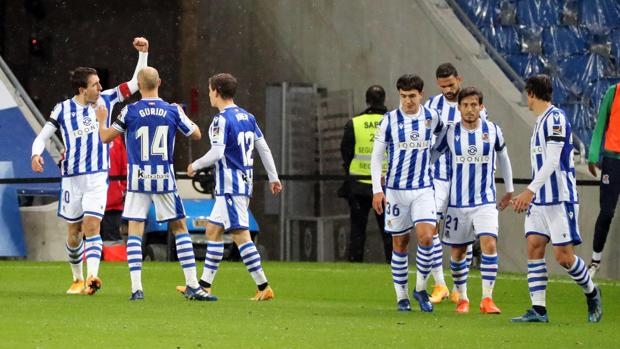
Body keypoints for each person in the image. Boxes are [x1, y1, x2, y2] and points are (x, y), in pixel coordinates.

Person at [30, 37, 149, 295]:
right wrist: (36, 154)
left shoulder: (106, 99)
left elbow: (135, 84)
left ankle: (92, 278)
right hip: (72, 178)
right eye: (95, 85)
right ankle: (76, 277)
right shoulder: (62, 110)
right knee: (74, 233)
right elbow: (43, 135)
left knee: (92, 226)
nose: (100, 87)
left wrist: (143, 54)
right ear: (83, 89)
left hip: (97, 176)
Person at [96, 66, 214, 301]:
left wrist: (101, 121)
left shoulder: (129, 111)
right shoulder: (172, 110)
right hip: (164, 178)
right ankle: (192, 284)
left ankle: (136, 289)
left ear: (138, 86)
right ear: (159, 82)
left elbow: (105, 137)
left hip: (138, 179)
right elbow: (197, 134)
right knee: (180, 228)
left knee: (135, 231)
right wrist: (182, 119)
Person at [179, 73, 282, 301]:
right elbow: (263, 148)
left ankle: (264, 287)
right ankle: (204, 286)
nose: (208, 95)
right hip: (241, 182)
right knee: (212, 231)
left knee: (240, 235)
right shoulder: (248, 117)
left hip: (231, 185)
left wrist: (195, 165)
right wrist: (273, 177)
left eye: (209, 90)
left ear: (216, 90)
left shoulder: (221, 120)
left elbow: (217, 153)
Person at [511, 74, 602, 323]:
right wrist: (533, 193)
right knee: (534, 246)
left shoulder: (556, 119)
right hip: (539, 200)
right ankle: (539, 310)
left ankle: (592, 292)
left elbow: (553, 161)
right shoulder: (539, 122)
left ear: (531, 93)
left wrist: (529, 191)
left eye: (526, 94)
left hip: (560, 198)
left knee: (563, 257)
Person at [431, 87, 513, 314]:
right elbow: (432, 156)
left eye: (474, 105)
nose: (469, 109)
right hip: (457, 204)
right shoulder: (449, 133)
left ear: (481, 107)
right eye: (465, 105)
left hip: (485, 201)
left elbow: (504, 158)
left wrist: (509, 189)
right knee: (458, 254)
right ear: (459, 108)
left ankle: (487, 299)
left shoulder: (493, 130)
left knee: (489, 244)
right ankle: (463, 297)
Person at [371, 74, 442, 312]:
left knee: (426, 237)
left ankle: (420, 288)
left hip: (423, 189)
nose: (408, 101)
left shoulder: (432, 117)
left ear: (421, 94)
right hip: (396, 191)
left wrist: (432, 160)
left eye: (412, 96)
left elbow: (443, 138)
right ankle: (401, 296)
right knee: (400, 244)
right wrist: (377, 190)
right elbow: (376, 157)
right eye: (403, 96)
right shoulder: (389, 120)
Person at [424, 63, 488, 304]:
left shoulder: (474, 106)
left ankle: (462, 292)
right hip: (439, 178)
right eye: (443, 86)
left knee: (465, 236)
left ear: (459, 79)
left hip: (465, 181)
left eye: (451, 85)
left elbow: (487, 143)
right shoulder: (432, 105)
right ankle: (439, 283)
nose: (448, 90)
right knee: (430, 228)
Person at [340, 85, 392, 263]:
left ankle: (355, 262)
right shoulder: (392, 122)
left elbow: (345, 152)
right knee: (389, 229)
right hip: (385, 185)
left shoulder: (355, 123)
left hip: (358, 184)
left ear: (367, 100)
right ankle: (393, 263)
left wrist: (350, 172)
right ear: (384, 100)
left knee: (357, 229)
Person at [586, 82, 620, 277]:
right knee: (606, 213)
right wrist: (592, 155)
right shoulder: (613, 92)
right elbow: (600, 125)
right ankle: (595, 260)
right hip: (612, 161)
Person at [100, 136, 127, 243]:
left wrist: (122, 188)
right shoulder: (85, 135)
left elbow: (125, 165)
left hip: (113, 202)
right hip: (90, 202)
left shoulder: (116, 138)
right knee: (91, 238)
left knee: (112, 240)